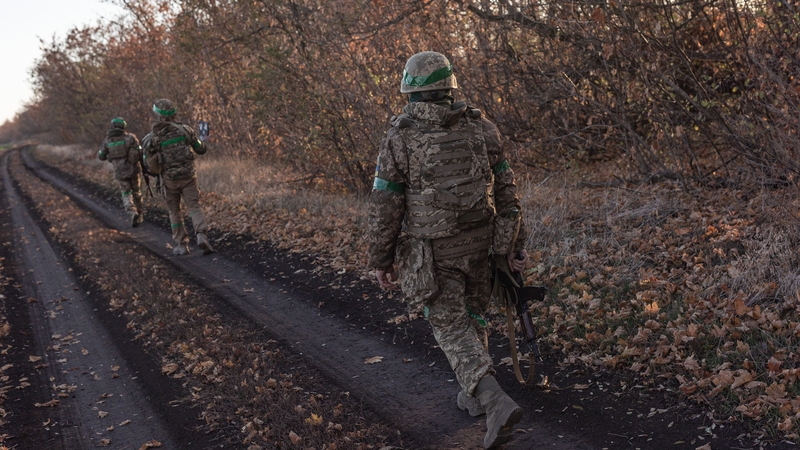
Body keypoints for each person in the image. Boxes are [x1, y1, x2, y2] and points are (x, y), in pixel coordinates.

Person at [367, 51, 530, 449]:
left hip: (434, 252)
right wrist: (511, 244)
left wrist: (381, 258)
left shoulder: (400, 136)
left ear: (411, 91)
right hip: (482, 243)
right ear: (449, 87)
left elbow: (386, 205)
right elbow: (508, 193)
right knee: (474, 313)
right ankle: (472, 395)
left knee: (450, 325)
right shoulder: (482, 128)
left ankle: (493, 401)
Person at [141, 98, 214, 256]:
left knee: (174, 211)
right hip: (188, 177)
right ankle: (201, 235)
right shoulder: (185, 130)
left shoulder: (151, 138)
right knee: (194, 207)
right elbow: (201, 150)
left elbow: (147, 163)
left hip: (169, 180)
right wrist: (203, 140)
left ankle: (182, 245)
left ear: (157, 114)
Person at [98, 117, 144, 227]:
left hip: (120, 172)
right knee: (137, 192)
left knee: (126, 194)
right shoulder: (130, 138)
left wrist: (109, 155)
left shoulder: (108, 140)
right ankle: (140, 214)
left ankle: (132, 212)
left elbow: (101, 156)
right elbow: (140, 152)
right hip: (133, 170)